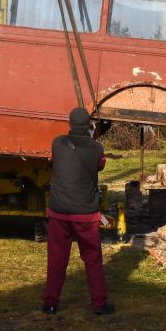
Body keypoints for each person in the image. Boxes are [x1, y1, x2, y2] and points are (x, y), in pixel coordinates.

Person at [41, 107, 113, 316]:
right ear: (89, 125)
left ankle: (50, 303)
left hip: (59, 212)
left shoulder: (57, 143)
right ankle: (99, 305)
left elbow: (55, 161)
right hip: (85, 214)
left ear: (70, 124)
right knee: (92, 259)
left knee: (56, 259)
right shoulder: (97, 148)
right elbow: (100, 166)